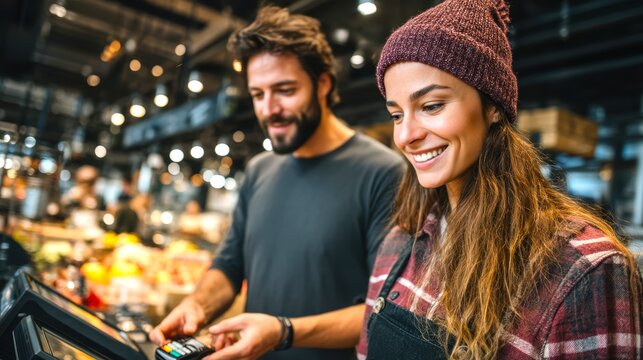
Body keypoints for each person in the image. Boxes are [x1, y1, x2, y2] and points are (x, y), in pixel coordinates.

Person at [357, 0, 643, 359]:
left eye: (431, 106)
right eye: (397, 114)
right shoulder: (401, 241)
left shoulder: (583, 269)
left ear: (492, 106)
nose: (405, 135)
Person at [149, 6, 405, 360]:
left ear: (324, 84)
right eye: (258, 94)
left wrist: (283, 331)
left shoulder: (383, 173)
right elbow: (229, 266)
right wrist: (197, 305)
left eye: (284, 90)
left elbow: (385, 312)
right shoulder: (259, 170)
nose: (269, 108)